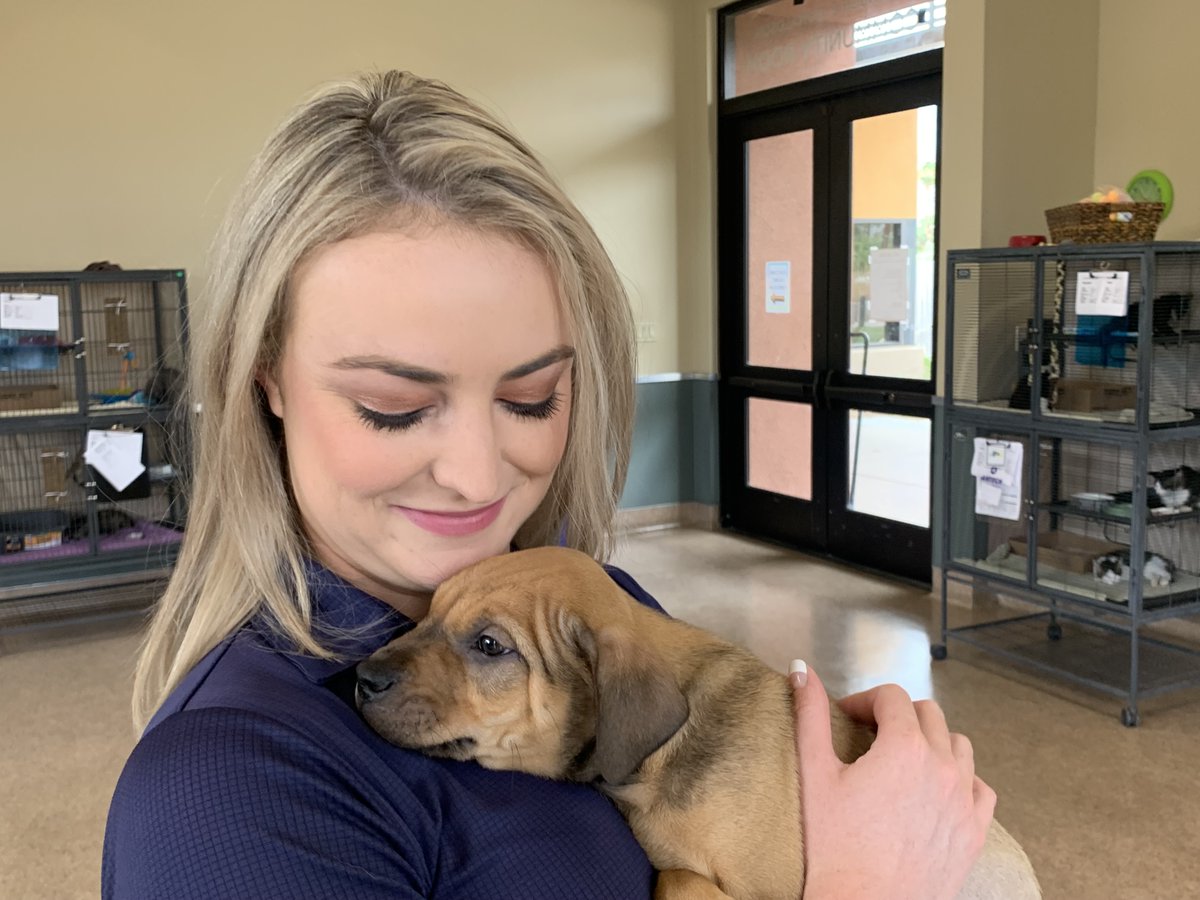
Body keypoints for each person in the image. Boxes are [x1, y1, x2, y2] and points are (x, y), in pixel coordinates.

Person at [102, 71, 994, 900]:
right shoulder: (228, 792)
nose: (479, 478)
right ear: (266, 380)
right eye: (392, 405)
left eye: (532, 397)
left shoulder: (572, 588)